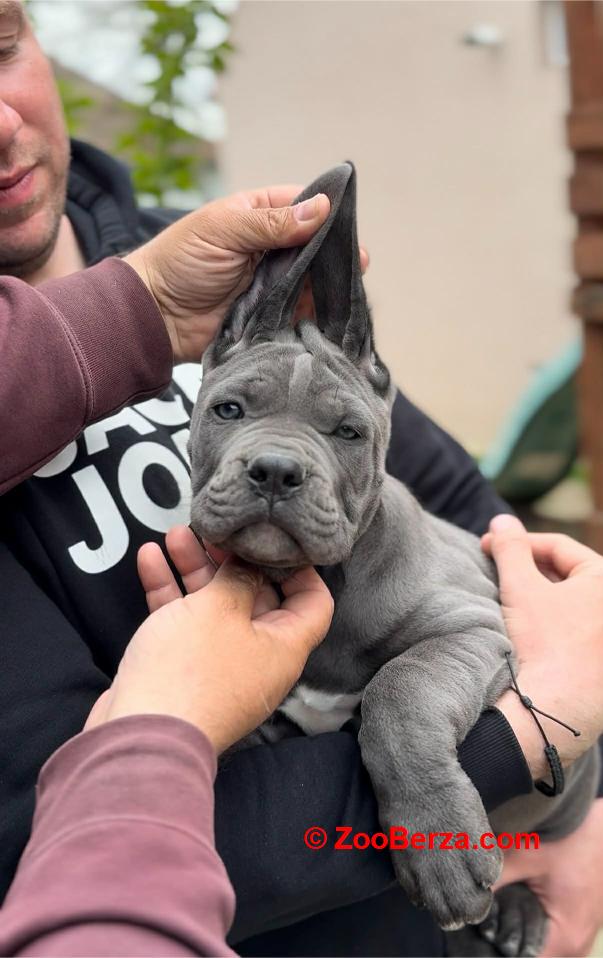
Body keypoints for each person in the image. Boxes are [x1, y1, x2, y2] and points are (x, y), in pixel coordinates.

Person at [1, 1, 602, 953]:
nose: (278, 457)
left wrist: (582, 818)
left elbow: (493, 545)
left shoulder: (229, 287)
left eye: (1, 46)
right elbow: (44, 845)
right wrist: (523, 739)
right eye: (230, 412)